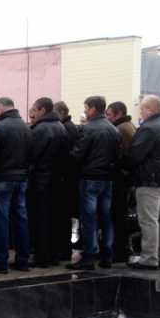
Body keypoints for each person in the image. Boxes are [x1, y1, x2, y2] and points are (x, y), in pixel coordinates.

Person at [67, 96, 121, 270]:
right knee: (106, 218)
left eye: (86, 108)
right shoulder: (113, 129)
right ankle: (107, 255)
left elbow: (78, 154)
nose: (85, 111)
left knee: (88, 218)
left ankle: (89, 256)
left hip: (90, 177)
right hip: (107, 179)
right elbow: (118, 156)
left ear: (92, 109)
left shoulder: (88, 128)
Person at [0, 97, 32, 274]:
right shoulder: (26, 127)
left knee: (0, 221)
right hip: (21, 178)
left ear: (0, 109)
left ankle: (0, 262)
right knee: (21, 219)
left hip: (1, 178)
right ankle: (22, 260)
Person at [126, 95, 160, 269]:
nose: (140, 112)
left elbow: (135, 155)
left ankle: (149, 258)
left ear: (149, 110)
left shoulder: (149, 128)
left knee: (148, 220)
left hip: (149, 181)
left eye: (141, 109)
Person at [27, 97, 69, 267]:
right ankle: (53, 254)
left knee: (40, 219)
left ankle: (42, 256)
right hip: (57, 180)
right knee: (53, 219)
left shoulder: (40, 129)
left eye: (35, 110)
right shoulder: (61, 127)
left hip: (41, 181)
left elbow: (32, 155)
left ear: (42, 110)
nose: (33, 114)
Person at [106, 101, 136, 263]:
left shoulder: (121, 129)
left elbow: (123, 155)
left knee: (118, 216)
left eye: (109, 114)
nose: (107, 118)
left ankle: (120, 250)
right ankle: (121, 249)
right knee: (120, 216)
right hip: (126, 179)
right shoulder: (128, 126)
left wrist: (117, 169)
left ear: (118, 114)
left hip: (121, 180)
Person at [55, 100, 79, 260]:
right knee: (65, 216)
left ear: (62, 112)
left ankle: (63, 250)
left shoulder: (66, 128)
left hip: (65, 179)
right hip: (69, 178)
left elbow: (65, 154)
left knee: (63, 216)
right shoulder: (69, 126)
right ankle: (64, 249)